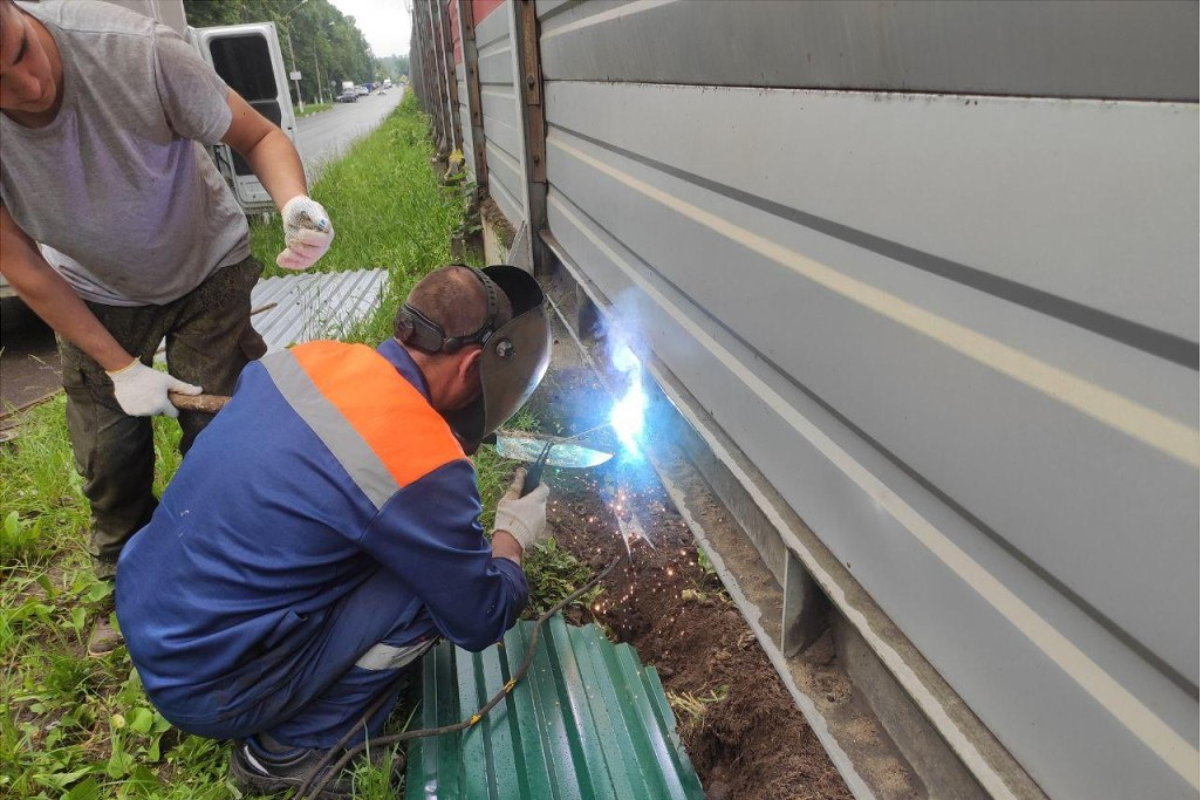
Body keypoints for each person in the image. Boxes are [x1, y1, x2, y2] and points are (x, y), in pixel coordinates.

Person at [116, 265, 554, 797]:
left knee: (387, 545)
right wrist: (511, 538)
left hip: (151, 615)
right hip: (210, 684)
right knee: (428, 593)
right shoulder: (421, 461)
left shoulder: (307, 359)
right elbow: (481, 615)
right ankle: (287, 754)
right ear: (470, 368)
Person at [0, 0, 335, 654]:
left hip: (207, 266)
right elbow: (22, 267)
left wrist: (296, 201)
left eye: (17, 51)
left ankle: (220, 571)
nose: (29, 89)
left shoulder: (138, 51)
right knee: (108, 450)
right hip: (89, 289)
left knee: (217, 433)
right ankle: (123, 582)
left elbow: (260, 136)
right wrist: (120, 367)